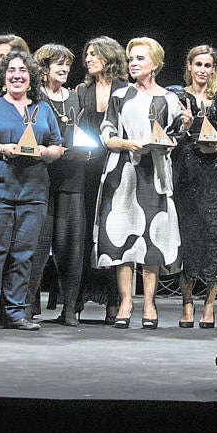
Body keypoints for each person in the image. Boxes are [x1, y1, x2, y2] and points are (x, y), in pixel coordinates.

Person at [0, 50, 64, 332]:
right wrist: (2, 149)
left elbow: (58, 146)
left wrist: (47, 152)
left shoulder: (42, 109)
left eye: (22, 71)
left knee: (24, 254)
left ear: (31, 78)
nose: (17, 75)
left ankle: (16, 312)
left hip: (32, 192)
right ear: (4, 77)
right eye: (11, 71)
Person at [95, 37, 191, 329]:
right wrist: (127, 143)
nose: (134, 63)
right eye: (131, 58)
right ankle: (126, 301)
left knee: (152, 236)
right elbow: (106, 133)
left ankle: (149, 302)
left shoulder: (169, 99)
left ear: (155, 65)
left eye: (140, 59)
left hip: (155, 172)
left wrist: (184, 125)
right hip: (123, 171)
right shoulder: (120, 95)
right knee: (123, 234)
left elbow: (172, 138)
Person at [168, 45, 217, 327]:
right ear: (189, 66)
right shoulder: (176, 95)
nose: (203, 70)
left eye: (208, 66)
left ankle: (209, 305)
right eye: (199, 65)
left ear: (214, 69)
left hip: (216, 171)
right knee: (188, 235)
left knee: (215, 237)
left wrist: (212, 146)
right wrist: (184, 125)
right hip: (186, 171)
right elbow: (168, 133)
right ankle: (187, 304)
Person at [29, 43, 88, 326]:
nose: (64, 68)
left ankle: (69, 309)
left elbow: (80, 132)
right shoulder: (34, 98)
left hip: (72, 176)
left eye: (67, 63)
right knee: (37, 246)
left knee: (71, 246)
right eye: (58, 63)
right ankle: (28, 307)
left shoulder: (74, 97)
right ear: (44, 67)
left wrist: (87, 148)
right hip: (41, 177)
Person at [76, 36, 129, 322]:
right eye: (87, 54)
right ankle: (77, 300)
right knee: (85, 234)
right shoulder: (83, 90)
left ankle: (113, 302)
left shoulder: (125, 90)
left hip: (115, 167)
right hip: (86, 167)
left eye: (94, 54)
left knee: (112, 232)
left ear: (109, 57)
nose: (88, 59)